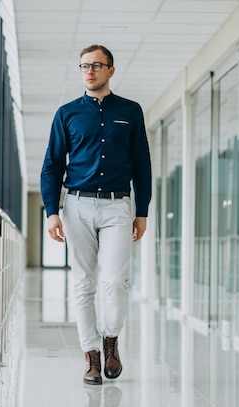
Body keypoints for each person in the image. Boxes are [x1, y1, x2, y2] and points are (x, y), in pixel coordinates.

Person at [40, 44, 152, 385]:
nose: (89, 71)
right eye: (84, 66)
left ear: (110, 71)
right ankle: (91, 356)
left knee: (115, 280)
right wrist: (51, 211)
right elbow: (53, 165)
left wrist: (142, 210)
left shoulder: (130, 111)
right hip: (77, 205)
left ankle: (111, 340)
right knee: (83, 282)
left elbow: (142, 164)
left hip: (119, 205)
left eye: (97, 65)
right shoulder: (67, 113)